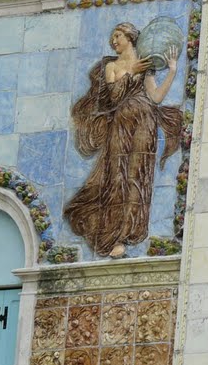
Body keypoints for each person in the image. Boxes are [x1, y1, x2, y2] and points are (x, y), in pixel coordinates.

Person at [66, 22, 182, 258]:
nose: (114, 41)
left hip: (145, 122)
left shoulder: (146, 64)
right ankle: (112, 236)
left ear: (130, 37)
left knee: (138, 176)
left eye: (117, 36)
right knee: (117, 175)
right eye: (112, 37)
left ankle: (129, 233)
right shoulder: (112, 66)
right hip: (121, 123)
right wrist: (132, 72)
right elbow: (112, 98)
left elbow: (156, 97)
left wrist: (172, 71)